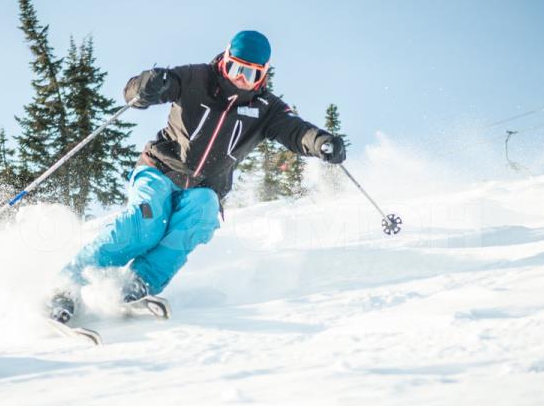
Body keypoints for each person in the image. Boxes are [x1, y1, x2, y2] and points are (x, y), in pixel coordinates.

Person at [50, 30, 346, 322]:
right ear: (225, 59)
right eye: (235, 68)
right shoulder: (196, 79)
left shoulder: (267, 109)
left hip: (204, 187)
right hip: (161, 168)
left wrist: (321, 142)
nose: (241, 79)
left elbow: (297, 131)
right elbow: (140, 91)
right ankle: (66, 286)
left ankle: (137, 285)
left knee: (200, 216)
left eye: (251, 74)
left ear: (263, 74)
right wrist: (147, 85)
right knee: (144, 226)